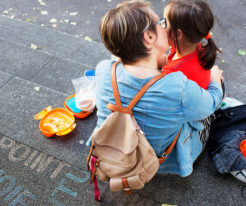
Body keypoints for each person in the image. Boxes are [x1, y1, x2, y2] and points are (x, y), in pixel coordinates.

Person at [87, 0, 224, 177]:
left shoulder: (104, 69)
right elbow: (211, 103)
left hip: (111, 150)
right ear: (149, 37)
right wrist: (214, 79)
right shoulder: (178, 87)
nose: (164, 26)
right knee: (208, 108)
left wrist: (158, 60)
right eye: (161, 23)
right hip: (156, 159)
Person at [160, 0, 221, 90]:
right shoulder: (195, 46)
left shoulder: (171, 73)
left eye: (164, 22)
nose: (160, 25)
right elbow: (168, 59)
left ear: (177, 35)